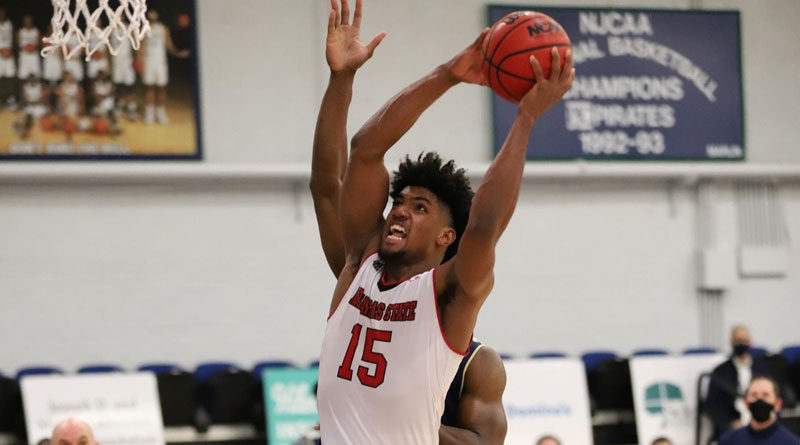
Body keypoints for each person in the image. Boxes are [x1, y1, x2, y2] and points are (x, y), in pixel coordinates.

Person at [314, 0, 574, 442]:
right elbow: (361, 154)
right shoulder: (359, 264)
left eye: (420, 207)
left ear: (446, 236)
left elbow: (485, 226)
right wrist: (444, 73)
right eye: (401, 200)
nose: (400, 209)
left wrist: (526, 120)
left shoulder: (450, 297)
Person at [705, 325, 768, 441]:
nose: (741, 344)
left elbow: (773, 397)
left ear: (751, 342)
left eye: (744, 340)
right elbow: (711, 405)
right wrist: (731, 422)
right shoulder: (720, 371)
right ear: (731, 342)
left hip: (761, 422)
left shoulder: (762, 368)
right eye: (737, 341)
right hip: (731, 426)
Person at [138, 10, 189, 125]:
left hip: (160, 62)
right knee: (149, 88)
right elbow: (141, 46)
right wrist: (139, 60)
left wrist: (178, 53)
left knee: (161, 88)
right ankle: (149, 114)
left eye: (154, 13)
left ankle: (160, 113)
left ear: (157, 15)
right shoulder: (145, 28)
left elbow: (168, 45)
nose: (152, 15)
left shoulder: (163, 28)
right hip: (149, 62)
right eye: (150, 14)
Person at [719, 376, 800, 445]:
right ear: (746, 402)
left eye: (765, 395)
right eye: (754, 395)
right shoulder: (729, 441)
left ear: (778, 404)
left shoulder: (791, 442)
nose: (759, 400)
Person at [0, 8, 16, 109]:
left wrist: (11, 50)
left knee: (10, 76)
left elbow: (13, 38)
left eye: (3, 13)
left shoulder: (9, 24)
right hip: (0, 53)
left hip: (8, 53)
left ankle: (10, 98)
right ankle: (1, 99)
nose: (1, 15)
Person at [17, 15, 41, 80]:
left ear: (32, 22)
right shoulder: (21, 31)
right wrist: (26, 48)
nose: (28, 22)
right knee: (23, 75)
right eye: (26, 21)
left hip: (34, 55)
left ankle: (35, 89)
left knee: (36, 74)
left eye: (29, 21)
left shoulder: (36, 31)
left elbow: (39, 43)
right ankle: (24, 89)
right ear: (23, 22)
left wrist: (33, 48)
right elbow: (18, 44)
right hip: (24, 55)